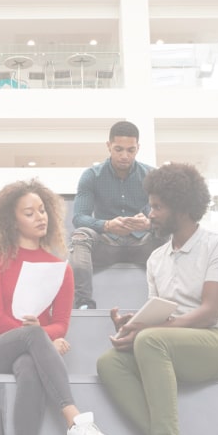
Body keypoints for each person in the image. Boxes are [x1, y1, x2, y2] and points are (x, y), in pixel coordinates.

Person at [96, 163, 218, 435]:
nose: (150, 213)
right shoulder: (157, 259)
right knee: (109, 362)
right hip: (177, 345)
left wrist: (147, 331)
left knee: (152, 339)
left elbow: (209, 313)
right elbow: (163, 317)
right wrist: (133, 328)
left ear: (181, 208)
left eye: (158, 206)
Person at [0, 178, 112, 435]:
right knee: (32, 337)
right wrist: (38, 337)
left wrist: (38, 339)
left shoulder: (60, 269)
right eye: (29, 212)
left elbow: (61, 324)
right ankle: (74, 420)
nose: (40, 216)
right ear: (12, 221)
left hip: (31, 354)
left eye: (42, 210)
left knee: (28, 366)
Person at [68, 120, 162, 309]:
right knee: (80, 236)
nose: (124, 156)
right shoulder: (92, 175)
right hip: (107, 244)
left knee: (166, 234)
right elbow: (79, 217)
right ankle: (83, 302)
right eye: (118, 149)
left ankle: (167, 301)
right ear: (109, 146)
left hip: (142, 245)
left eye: (130, 150)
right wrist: (106, 225)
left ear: (138, 148)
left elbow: (166, 216)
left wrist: (149, 224)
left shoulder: (152, 175)